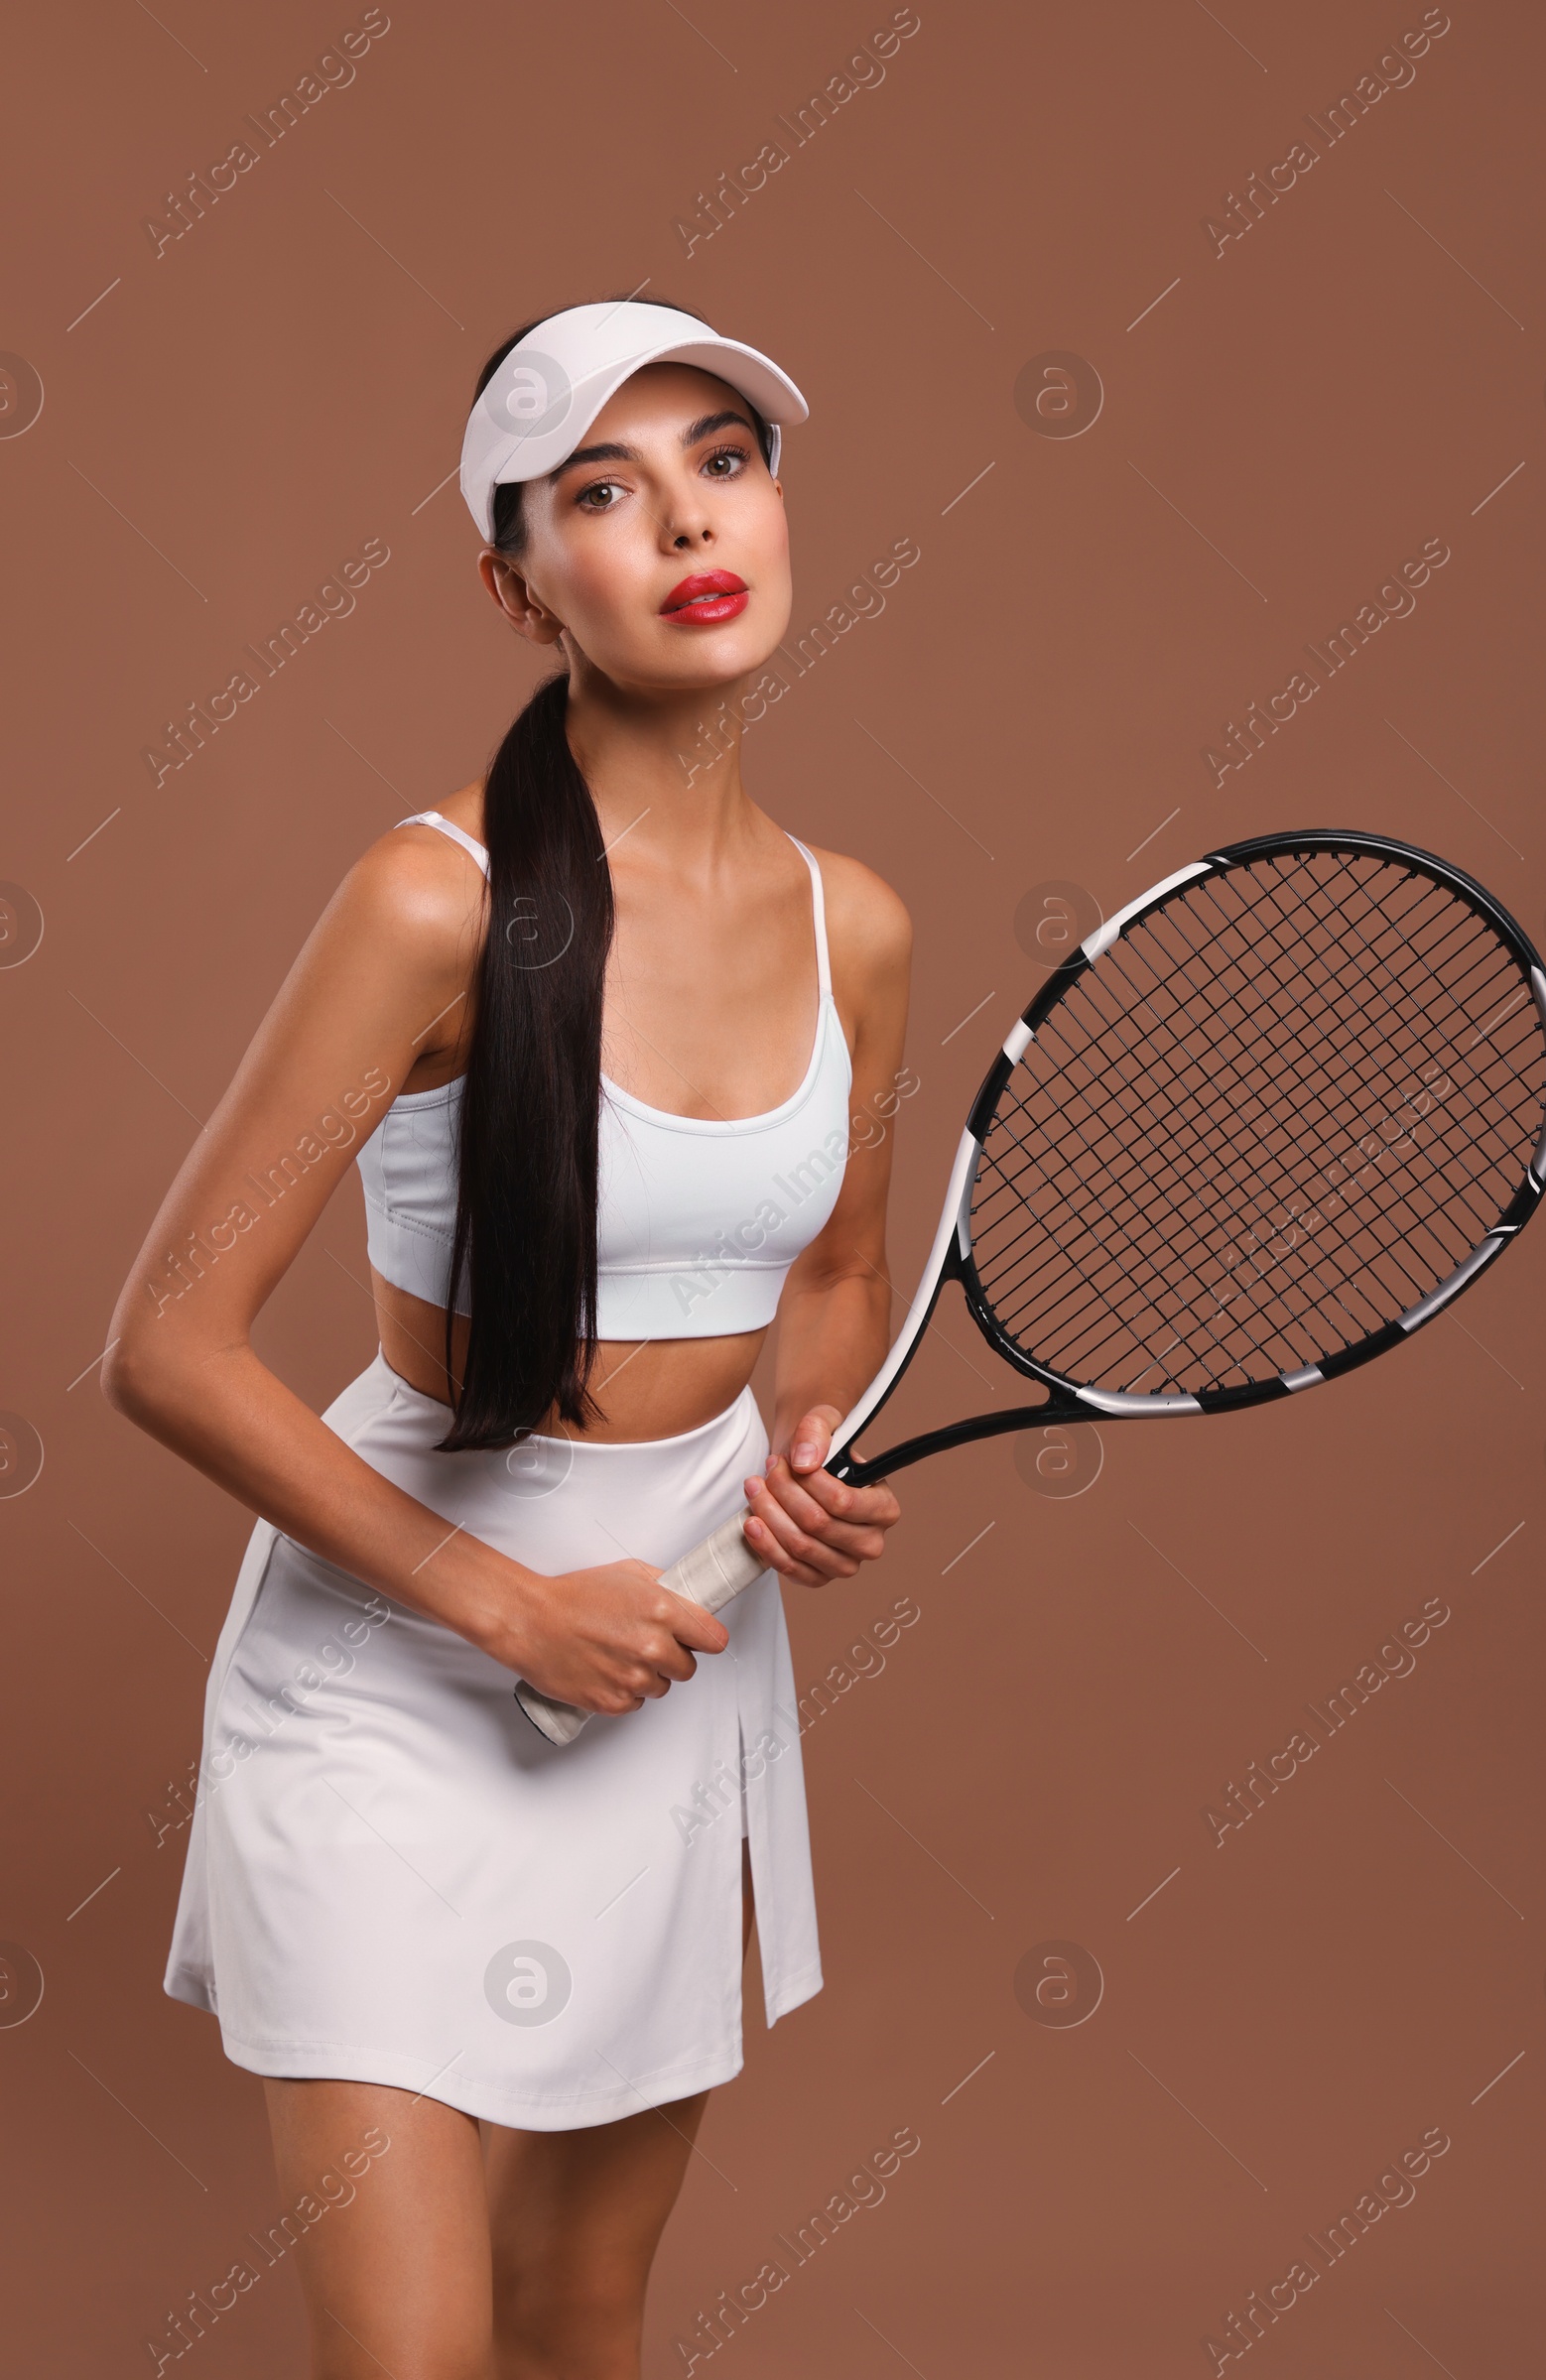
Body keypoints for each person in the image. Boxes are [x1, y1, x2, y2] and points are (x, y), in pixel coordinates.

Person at [105, 297, 913, 2378]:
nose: (684, 522)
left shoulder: (859, 925)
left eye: (723, 461)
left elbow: (830, 1273)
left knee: (579, 2317)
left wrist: (806, 1445)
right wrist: (496, 1606)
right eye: (600, 492)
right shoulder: (429, 900)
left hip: (666, 1666)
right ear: (514, 581)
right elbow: (171, 1343)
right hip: (386, 1677)